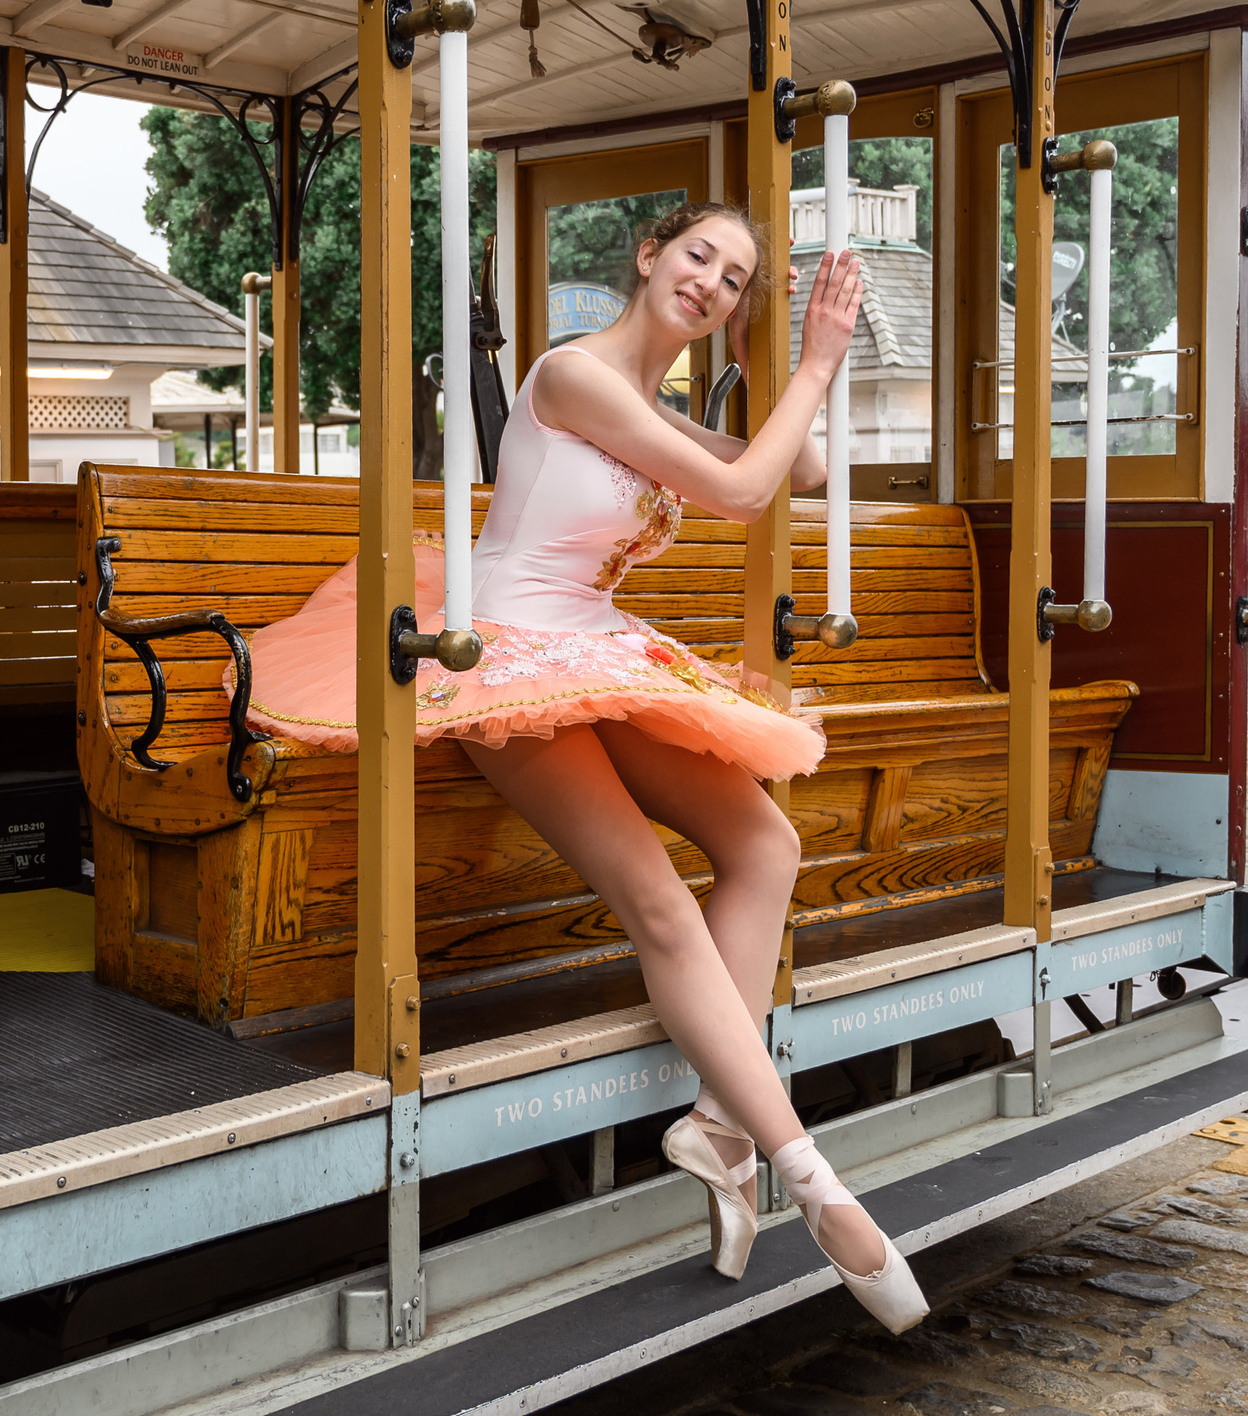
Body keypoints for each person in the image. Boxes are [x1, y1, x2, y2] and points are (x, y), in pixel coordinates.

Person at [233, 201, 924, 1333]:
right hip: (505, 654)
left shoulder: (651, 402)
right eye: (698, 254)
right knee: (656, 896)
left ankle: (719, 1123)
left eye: (735, 276)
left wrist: (766, 361)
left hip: (593, 645)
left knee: (766, 839)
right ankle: (814, 1179)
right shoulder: (571, 375)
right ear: (648, 257)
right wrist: (815, 356)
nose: (709, 279)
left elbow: (790, 467)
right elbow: (743, 494)